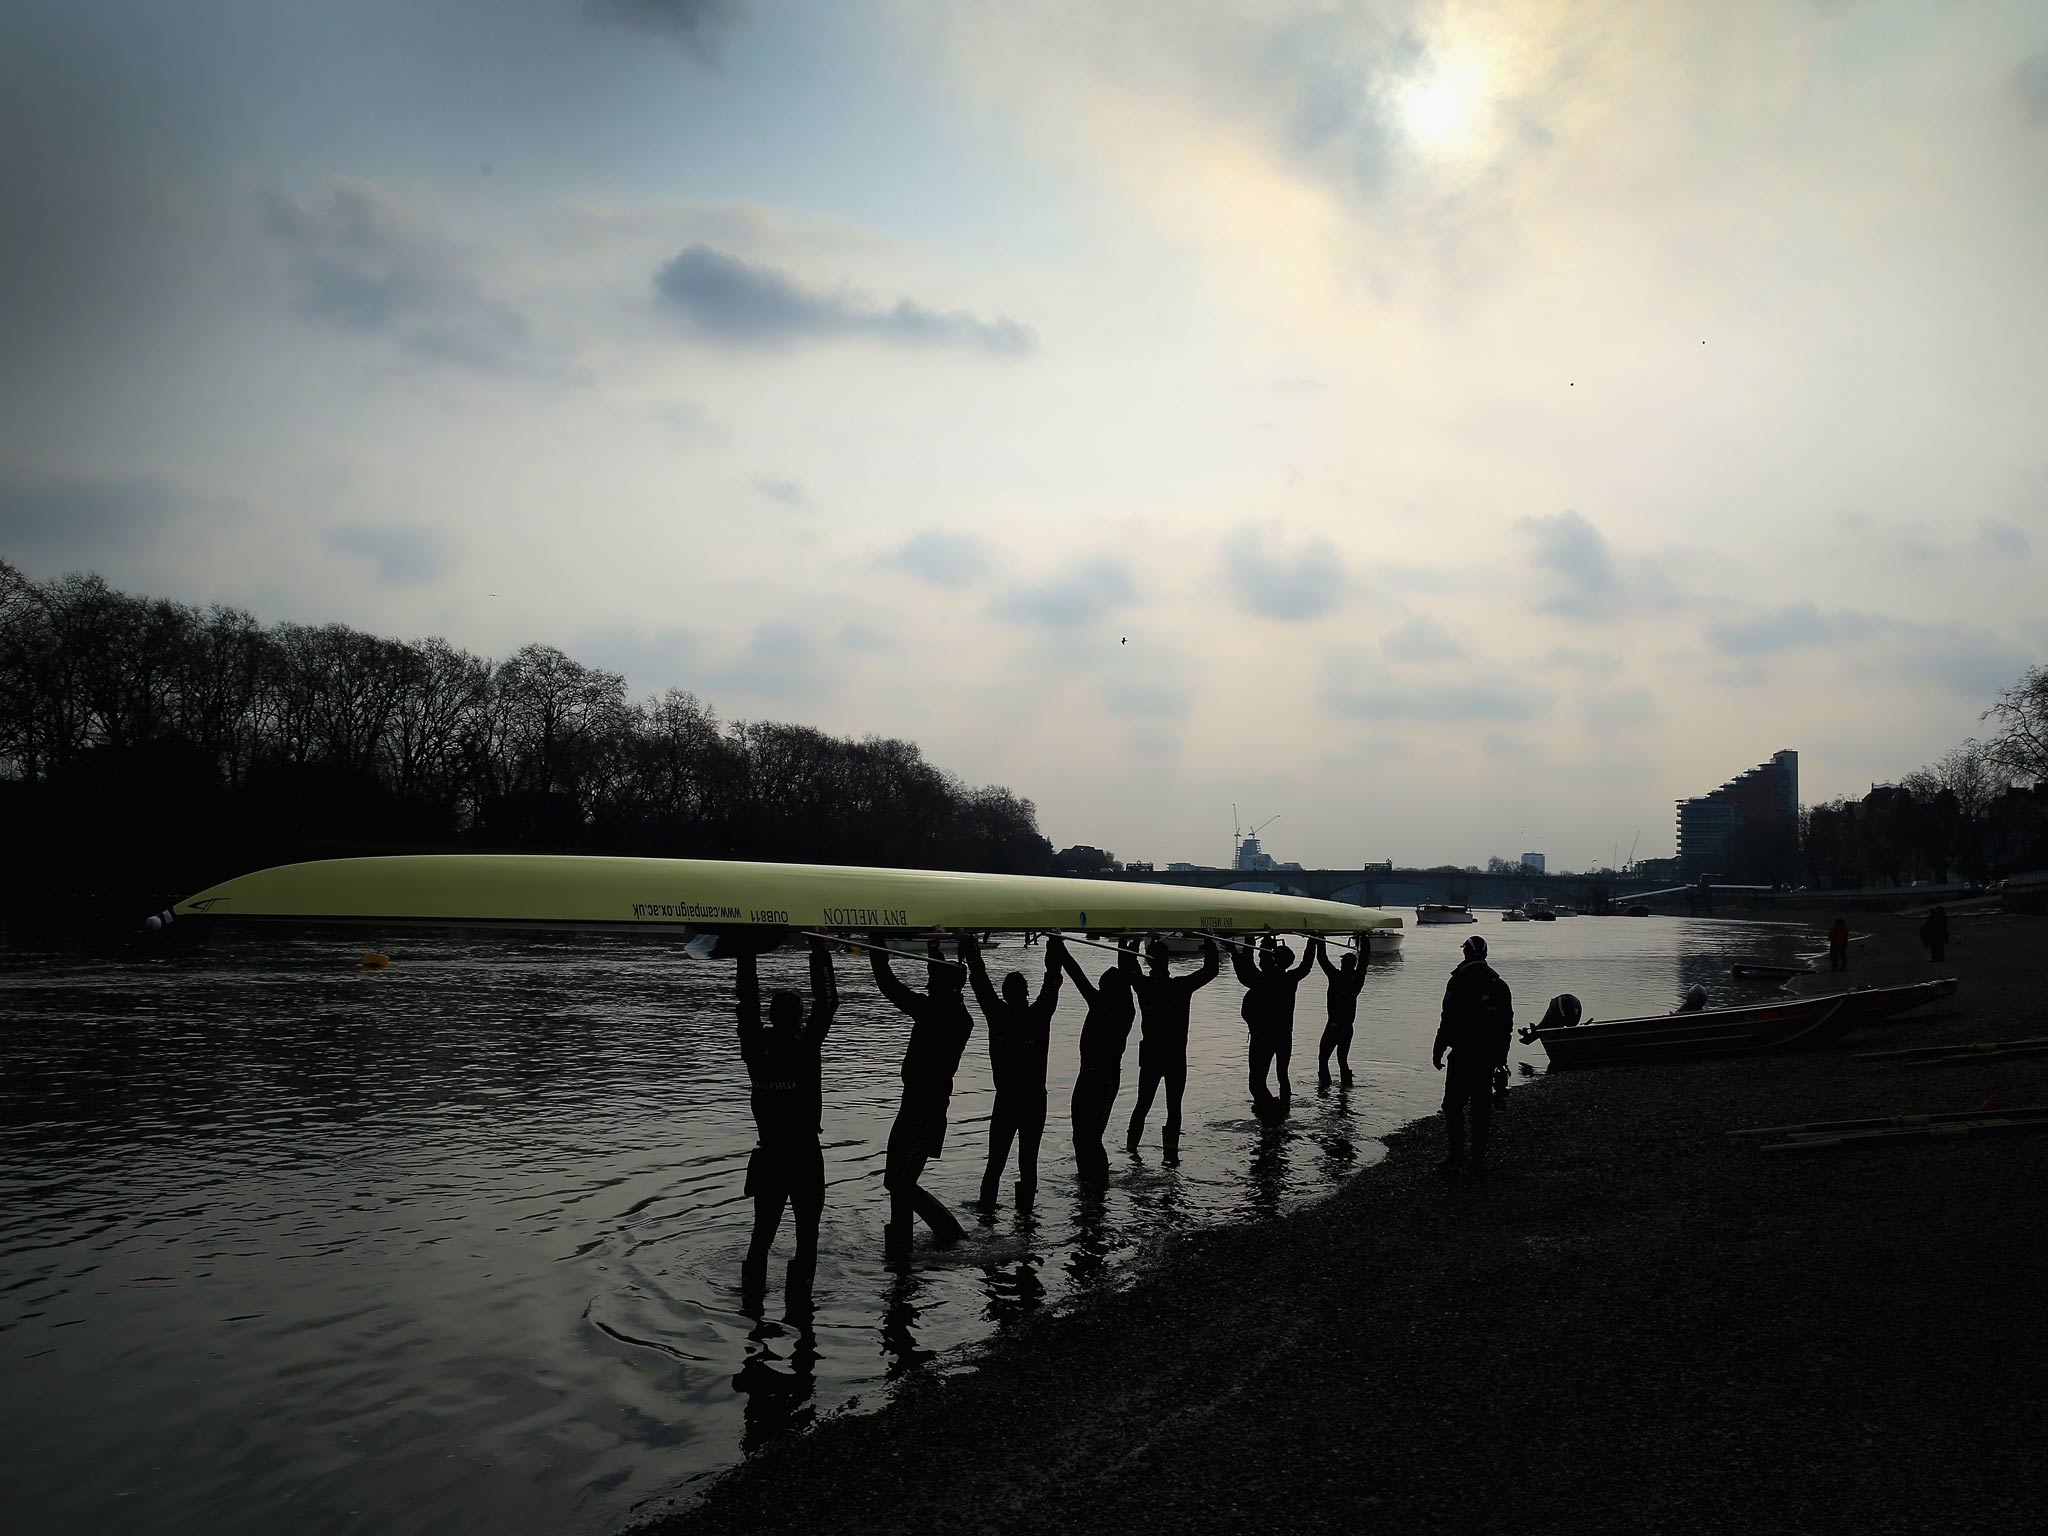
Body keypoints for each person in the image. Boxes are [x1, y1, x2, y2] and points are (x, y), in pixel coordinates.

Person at [735, 937, 837, 1304]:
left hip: (768, 1156)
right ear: (798, 1019)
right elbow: (828, 1004)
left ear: (771, 1017)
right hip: (803, 1156)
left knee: (762, 1234)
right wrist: (819, 950)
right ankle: (800, 1312)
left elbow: (745, 1002)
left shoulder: (753, 1047)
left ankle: (750, 1311)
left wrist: (745, 952)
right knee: (807, 1236)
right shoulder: (804, 1047)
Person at [871, 938, 974, 1260]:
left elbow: (888, 984)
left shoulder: (938, 1012)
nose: (927, 984)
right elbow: (936, 977)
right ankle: (900, 1247)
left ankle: (954, 1237)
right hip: (914, 1107)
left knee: (899, 1184)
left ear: (943, 985)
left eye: (932, 979)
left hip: (926, 1113)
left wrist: (878, 948)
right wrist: (934, 948)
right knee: (897, 1185)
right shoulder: (953, 1011)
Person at [963, 933, 1063, 1210]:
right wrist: (1055, 948)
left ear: (1006, 995)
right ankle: (1026, 1218)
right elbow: (1053, 981)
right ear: (1026, 994)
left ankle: (986, 1214)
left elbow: (981, 983)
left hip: (1007, 1100)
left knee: (995, 1162)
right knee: (1027, 1164)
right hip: (1033, 1100)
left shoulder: (997, 1014)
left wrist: (972, 951)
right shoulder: (1039, 1015)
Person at [1122, 934, 1221, 1163]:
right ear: (1167, 962)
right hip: (1175, 1056)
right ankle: (1170, 1155)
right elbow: (1211, 970)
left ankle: (1130, 1152)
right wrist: (1209, 942)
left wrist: (1131, 942)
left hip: (1151, 1056)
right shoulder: (1180, 986)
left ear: (1148, 961)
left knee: (1142, 1105)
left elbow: (1127, 965)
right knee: (1174, 1107)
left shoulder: (1143, 987)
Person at [1432, 933, 1513, 1173]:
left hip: (1463, 1053)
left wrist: (1439, 1048)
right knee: (1481, 1107)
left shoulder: (1458, 980)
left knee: (1452, 1105)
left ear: (1465, 953)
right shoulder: (1499, 984)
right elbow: (1506, 1025)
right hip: (1488, 1055)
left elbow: (1447, 1017)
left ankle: (1456, 1155)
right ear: (1485, 954)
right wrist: (1502, 1058)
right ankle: (1477, 1160)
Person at [1059, 939, 1137, 1185]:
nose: (1099, 988)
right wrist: (1124, 945)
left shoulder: (1121, 1011)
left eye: (1103, 986)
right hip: (1088, 1075)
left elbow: (1077, 973)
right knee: (1081, 1136)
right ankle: (1086, 1180)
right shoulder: (1103, 1002)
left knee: (1091, 1136)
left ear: (1110, 989)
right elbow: (1076, 973)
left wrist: (1059, 945)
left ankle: (1098, 1184)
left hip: (1106, 1078)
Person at [1231, 935, 1315, 1123]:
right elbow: (1307, 964)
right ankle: (1284, 1109)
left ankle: (1272, 1113)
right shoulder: (1290, 979)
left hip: (1262, 1037)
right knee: (1282, 1075)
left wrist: (1252, 943)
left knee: (1256, 1083)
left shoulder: (1262, 979)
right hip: (1284, 1036)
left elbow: (1247, 966)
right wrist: (1313, 941)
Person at [1314, 933, 1369, 1088]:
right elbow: (1365, 960)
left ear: (1343, 964)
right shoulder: (1358, 979)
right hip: (1347, 1027)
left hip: (1333, 1025)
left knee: (1323, 1059)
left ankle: (1324, 1088)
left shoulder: (1335, 976)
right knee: (1342, 1059)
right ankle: (1346, 1088)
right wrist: (1365, 940)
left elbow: (1322, 959)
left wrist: (1320, 940)